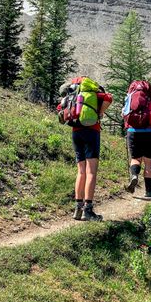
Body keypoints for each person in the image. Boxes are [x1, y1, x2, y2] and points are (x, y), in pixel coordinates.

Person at [59, 77, 113, 222]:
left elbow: (60, 109)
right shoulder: (92, 92)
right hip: (91, 132)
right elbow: (109, 97)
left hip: (76, 132)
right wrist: (99, 113)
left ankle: (78, 209)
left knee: (81, 171)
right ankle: (88, 210)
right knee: (91, 172)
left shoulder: (72, 95)